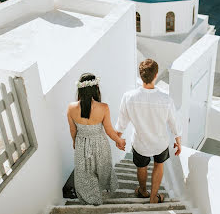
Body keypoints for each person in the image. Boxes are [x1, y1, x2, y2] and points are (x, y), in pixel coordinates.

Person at [115, 59, 182, 204]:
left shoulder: (128, 97)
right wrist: (178, 141)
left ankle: (143, 191)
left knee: (142, 167)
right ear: (156, 75)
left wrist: (118, 139)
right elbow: (174, 124)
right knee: (159, 165)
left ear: (141, 75)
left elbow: (122, 122)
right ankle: (153, 197)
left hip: (140, 143)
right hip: (160, 143)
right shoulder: (166, 99)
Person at [67, 73, 126, 205]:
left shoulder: (71, 108)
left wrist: (74, 143)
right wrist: (119, 141)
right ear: (96, 89)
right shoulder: (103, 107)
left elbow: (73, 130)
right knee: (102, 168)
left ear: (80, 89)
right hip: (100, 143)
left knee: (85, 173)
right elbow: (109, 130)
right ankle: (99, 192)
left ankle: (92, 198)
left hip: (82, 143)